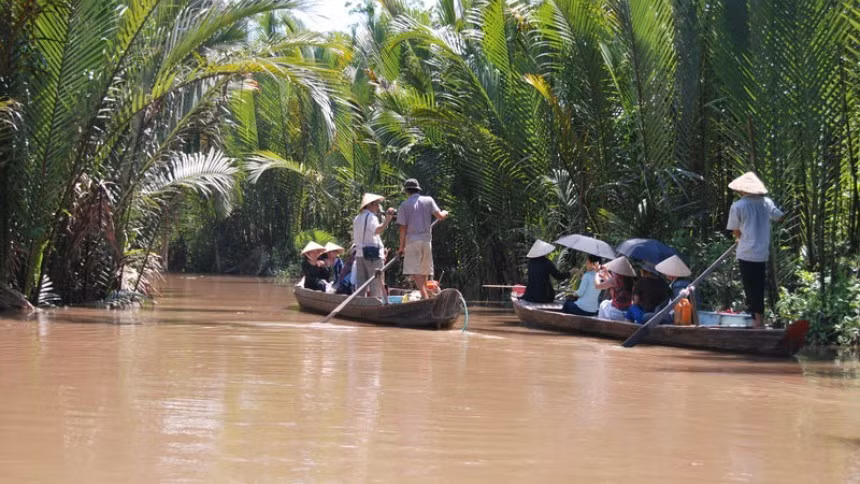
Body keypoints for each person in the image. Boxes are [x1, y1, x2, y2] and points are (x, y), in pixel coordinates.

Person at [726, 171, 784, 328]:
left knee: (750, 287)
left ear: (743, 190)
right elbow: (780, 216)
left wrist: (740, 238)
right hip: (761, 252)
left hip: (746, 252)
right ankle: (757, 319)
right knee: (758, 286)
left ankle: (758, 322)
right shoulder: (766, 202)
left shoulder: (738, 206)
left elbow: (735, 231)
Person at [396, 178, 448, 299]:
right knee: (424, 270)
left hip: (412, 241)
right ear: (417, 190)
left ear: (406, 191)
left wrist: (401, 247)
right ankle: (427, 295)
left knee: (414, 270)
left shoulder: (404, 205)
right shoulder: (428, 200)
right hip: (426, 241)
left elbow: (403, 228)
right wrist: (445, 212)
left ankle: (424, 295)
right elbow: (440, 216)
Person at [353, 193, 396, 298]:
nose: (378, 207)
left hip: (359, 255)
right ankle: (376, 305)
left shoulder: (357, 218)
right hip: (373, 255)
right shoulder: (371, 217)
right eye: (376, 204)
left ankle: (360, 305)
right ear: (370, 205)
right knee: (376, 284)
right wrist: (387, 220)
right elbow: (378, 230)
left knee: (361, 285)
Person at [595, 256, 636, 321]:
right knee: (607, 303)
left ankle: (600, 324)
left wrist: (596, 274)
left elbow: (597, 286)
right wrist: (606, 273)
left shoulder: (615, 280)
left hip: (616, 312)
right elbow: (616, 285)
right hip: (627, 311)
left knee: (603, 303)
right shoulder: (630, 279)